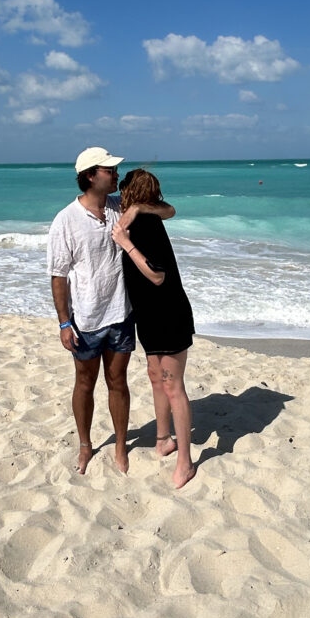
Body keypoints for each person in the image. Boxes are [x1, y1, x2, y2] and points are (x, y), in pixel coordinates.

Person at [47, 148, 175, 475]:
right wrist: (64, 322)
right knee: (84, 383)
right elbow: (58, 275)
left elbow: (169, 210)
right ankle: (86, 445)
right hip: (86, 318)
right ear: (91, 175)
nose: (117, 174)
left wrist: (135, 212)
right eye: (110, 170)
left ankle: (120, 445)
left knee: (117, 381)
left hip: (121, 313)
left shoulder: (121, 207)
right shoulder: (66, 219)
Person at [112, 169, 196, 489]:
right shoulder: (142, 216)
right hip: (148, 316)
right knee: (155, 377)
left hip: (169, 314)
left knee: (173, 385)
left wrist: (125, 242)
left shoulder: (144, 224)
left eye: (124, 193)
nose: (120, 198)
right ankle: (163, 439)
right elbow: (168, 208)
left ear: (131, 194)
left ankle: (185, 463)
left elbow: (157, 275)